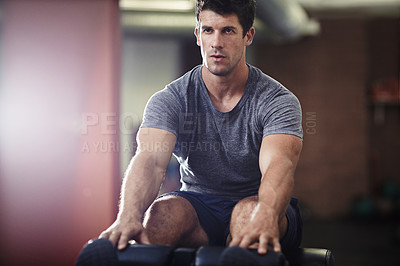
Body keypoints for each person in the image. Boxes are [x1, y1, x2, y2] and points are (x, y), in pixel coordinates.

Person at [100, 0, 303, 256]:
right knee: (160, 215)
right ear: (198, 35)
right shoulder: (171, 99)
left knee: (248, 216)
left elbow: (279, 165)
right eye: (208, 30)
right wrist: (128, 216)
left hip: (257, 201)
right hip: (198, 205)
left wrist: (267, 214)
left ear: (248, 35)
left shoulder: (277, 101)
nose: (216, 42)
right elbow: (150, 160)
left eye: (227, 30)